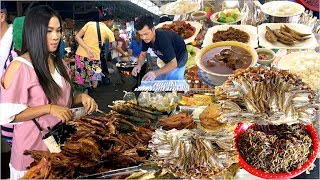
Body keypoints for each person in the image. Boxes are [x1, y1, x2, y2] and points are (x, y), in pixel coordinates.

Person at [0, 5, 98, 179]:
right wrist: (48, 108)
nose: (56, 36)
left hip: (61, 149)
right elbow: (8, 116)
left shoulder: (60, 64)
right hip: (31, 153)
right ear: (34, 32)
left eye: (58, 30)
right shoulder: (20, 67)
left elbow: (63, 103)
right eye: (49, 31)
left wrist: (82, 98)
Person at [132, 14, 188, 81]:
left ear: (153, 29)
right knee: (165, 75)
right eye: (141, 35)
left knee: (173, 80)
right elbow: (143, 54)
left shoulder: (163, 39)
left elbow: (173, 64)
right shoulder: (146, 39)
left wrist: (155, 73)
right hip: (168, 57)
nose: (143, 37)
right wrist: (139, 65)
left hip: (180, 57)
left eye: (146, 34)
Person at [74, 9, 115, 89]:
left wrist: (87, 48)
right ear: (109, 20)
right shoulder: (109, 31)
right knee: (94, 83)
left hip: (80, 56)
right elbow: (112, 46)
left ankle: (83, 95)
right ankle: (88, 91)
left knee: (80, 81)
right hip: (94, 58)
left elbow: (77, 37)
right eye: (113, 21)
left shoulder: (89, 24)